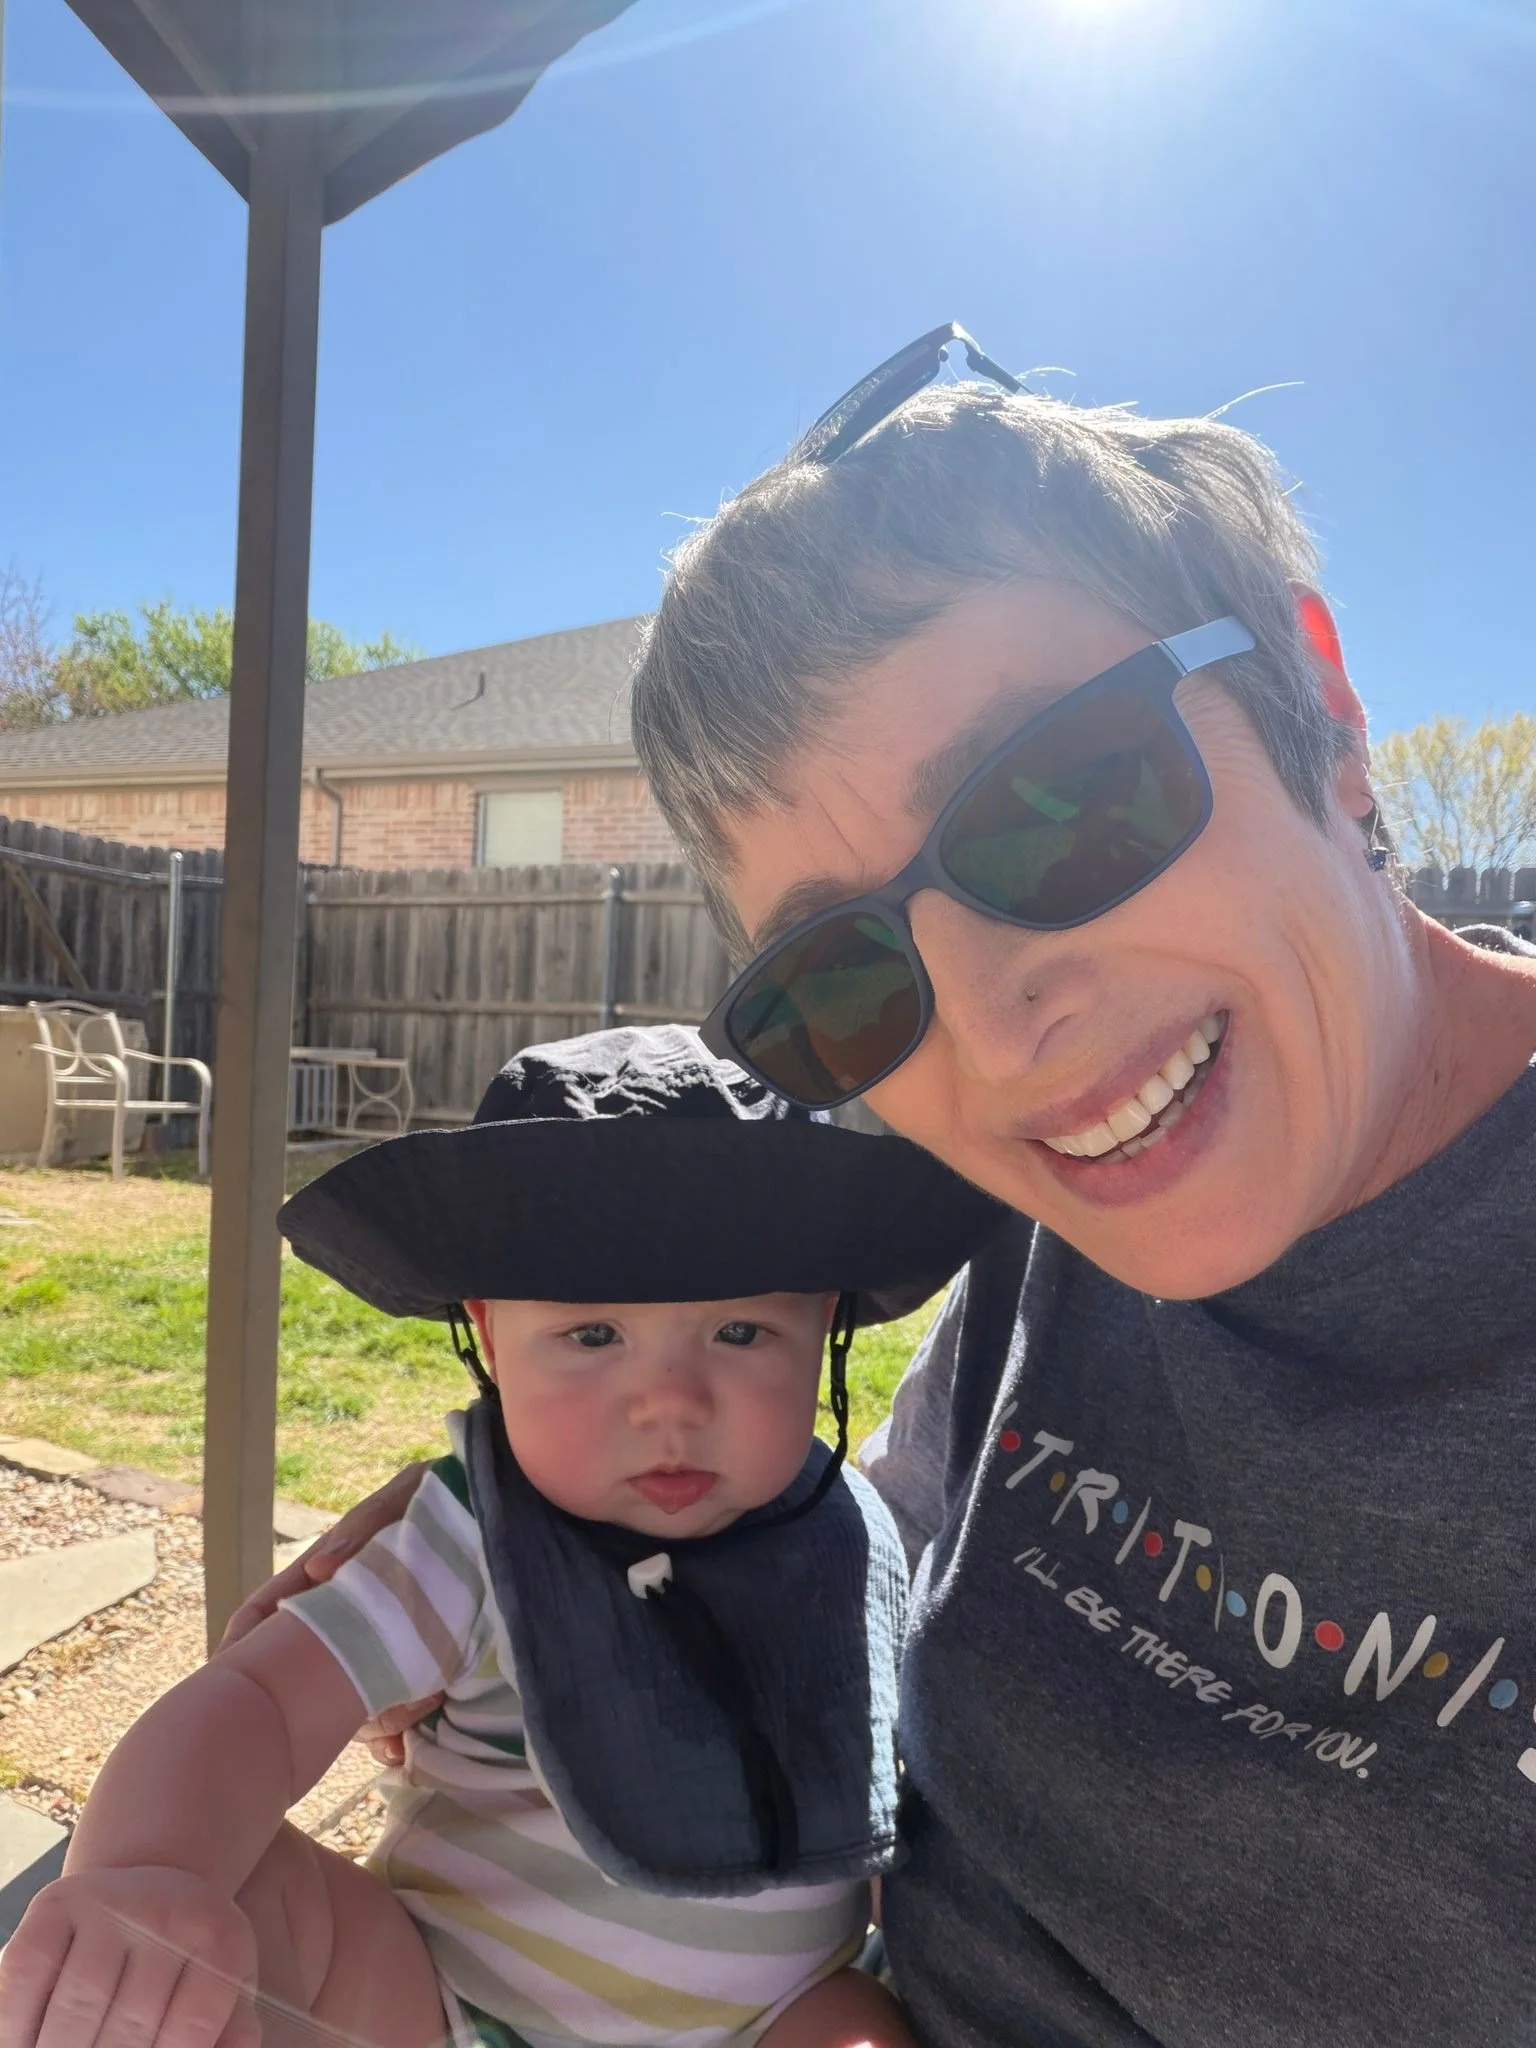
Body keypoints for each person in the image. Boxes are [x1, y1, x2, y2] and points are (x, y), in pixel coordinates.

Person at [215, 328, 1536, 2046]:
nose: (991, 1034)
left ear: (1323, 699)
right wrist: (536, 1541)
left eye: (1054, 802)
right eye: (846, 980)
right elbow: (906, 1525)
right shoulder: (1053, 1219)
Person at [0, 1026, 1000, 2048]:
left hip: (772, 2015)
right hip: (441, 1996)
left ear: (824, 1325)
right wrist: (153, 1869)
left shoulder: (851, 1534)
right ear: (488, 1337)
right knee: (254, 1900)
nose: (669, 1403)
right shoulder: (465, 1543)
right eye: (592, 1335)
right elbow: (256, 1699)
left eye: (741, 1333)